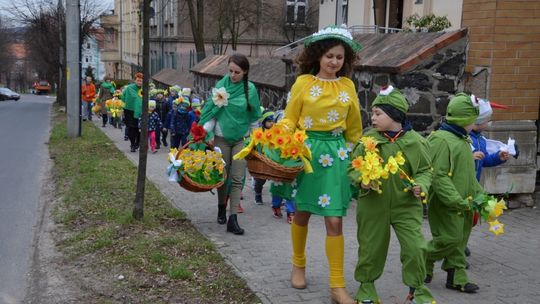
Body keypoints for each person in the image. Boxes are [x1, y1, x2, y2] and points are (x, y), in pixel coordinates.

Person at [275, 26, 362, 304]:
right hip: (308, 154)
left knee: (335, 219)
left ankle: (337, 286)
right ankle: (298, 264)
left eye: (339, 57)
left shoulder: (348, 86)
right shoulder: (303, 83)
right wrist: (278, 136)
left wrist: (360, 158)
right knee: (301, 212)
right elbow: (290, 118)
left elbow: (355, 129)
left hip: (336, 157)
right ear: (317, 56)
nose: (334, 62)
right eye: (329, 56)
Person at [348, 86, 435, 304]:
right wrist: (362, 180)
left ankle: (417, 290)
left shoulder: (416, 142)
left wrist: (421, 186)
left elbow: (425, 170)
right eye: (372, 113)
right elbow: (352, 168)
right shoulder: (367, 141)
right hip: (373, 205)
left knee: (416, 248)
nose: (373, 118)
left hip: (406, 205)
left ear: (395, 115)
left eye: (378, 114)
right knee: (370, 248)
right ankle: (366, 288)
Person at [424, 93, 483, 294]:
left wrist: (480, 196)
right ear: (464, 119)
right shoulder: (441, 140)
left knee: (460, 239)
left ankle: (456, 276)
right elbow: (438, 176)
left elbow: (468, 175)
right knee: (449, 238)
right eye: (473, 120)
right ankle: (424, 257)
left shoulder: (463, 140)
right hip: (447, 203)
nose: (475, 125)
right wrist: (456, 200)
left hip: (465, 203)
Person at [199, 53, 262, 235]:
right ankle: (221, 208)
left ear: (245, 72)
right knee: (223, 177)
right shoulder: (221, 86)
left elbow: (253, 118)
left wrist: (255, 139)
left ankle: (233, 218)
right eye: (230, 71)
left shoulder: (250, 90)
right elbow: (212, 112)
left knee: (237, 178)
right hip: (221, 138)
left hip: (240, 139)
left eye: (237, 72)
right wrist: (207, 132)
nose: (233, 75)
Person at [253, 109, 275, 205]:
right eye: (269, 121)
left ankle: (276, 199)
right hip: (261, 159)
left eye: (273, 121)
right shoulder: (258, 133)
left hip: (273, 160)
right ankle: (258, 194)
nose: (271, 123)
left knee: (276, 180)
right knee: (260, 179)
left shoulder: (276, 132)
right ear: (263, 121)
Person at [121, 73, 143, 152]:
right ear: (135, 80)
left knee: (139, 129)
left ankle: (137, 143)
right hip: (129, 111)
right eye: (138, 80)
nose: (139, 82)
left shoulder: (145, 89)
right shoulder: (129, 88)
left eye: (141, 81)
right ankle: (132, 144)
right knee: (131, 128)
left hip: (141, 112)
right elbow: (122, 96)